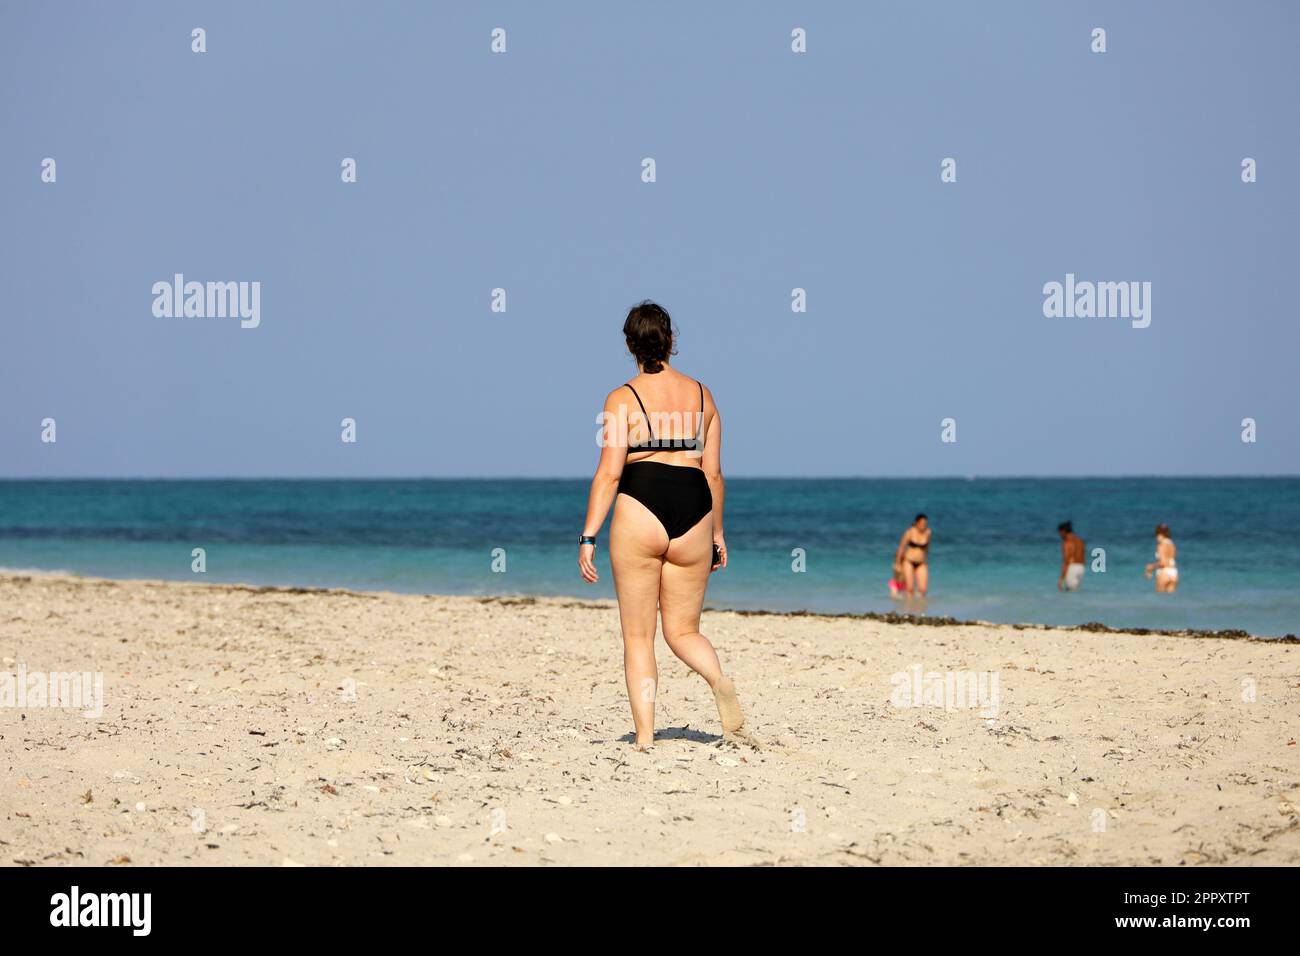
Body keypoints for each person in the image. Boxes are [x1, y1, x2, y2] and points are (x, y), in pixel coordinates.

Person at [577, 301, 743, 751]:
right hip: (694, 509)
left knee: (637, 636)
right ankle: (718, 681)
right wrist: (717, 534)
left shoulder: (621, 399)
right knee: (683, 631)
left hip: (640, 508)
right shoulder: (704, 395)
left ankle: (646, 737)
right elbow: (714, 473)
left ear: (630, 345)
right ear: (671, 339)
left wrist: (588, 535)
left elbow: (610, 473)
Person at [894, 514, 932, 596]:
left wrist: (925, 559)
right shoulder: (909, 532)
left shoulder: (928, 532)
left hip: (921, 563)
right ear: (917, 523)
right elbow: (901, 548)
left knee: (923, 590)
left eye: (925, 524)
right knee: (910, 589)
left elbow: (927, 548)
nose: (924, 525)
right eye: (922, 523)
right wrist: (897, 564)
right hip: (909, 562)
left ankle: (921, 607)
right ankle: (909, 607)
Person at [1144, 523, 1178, 593]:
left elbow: (1163, 563)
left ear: (1159, 534)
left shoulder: (1161, 545)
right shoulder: (1171, 544)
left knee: (1160, 600)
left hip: (1164, 573)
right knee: (1170, 601)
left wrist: (1151, 567)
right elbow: (1172, 559)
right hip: (1174, 573)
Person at [1057, 521, 1086, 591]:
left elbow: (1066, 560)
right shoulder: (1080, 541)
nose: (1059, 535)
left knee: (1069, 593)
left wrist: (1061, 579)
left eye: (1060, 533)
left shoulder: (1067, 543)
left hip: (1072, 568)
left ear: (1063, 531)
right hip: (1081, 568)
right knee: (1075, 592)